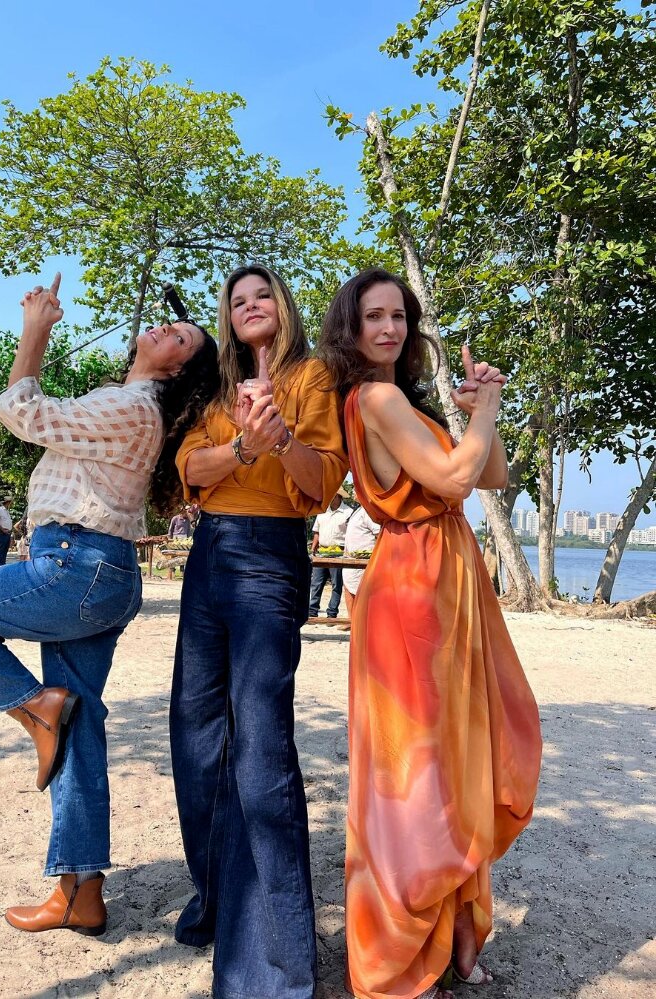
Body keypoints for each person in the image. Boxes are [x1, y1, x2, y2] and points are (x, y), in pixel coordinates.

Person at [0, 274, 220, 936]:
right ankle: (80, 891)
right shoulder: (123, 401)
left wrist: (36, 330)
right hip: (92, 569)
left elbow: (23, 411)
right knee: (80, 729)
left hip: (77, 565)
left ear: (181, 370)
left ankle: (33, 707)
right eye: (172, 323)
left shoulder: (137, 408)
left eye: (183, 337)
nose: (169, 328)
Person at [317, 268, 542, 999]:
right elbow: (450, 478)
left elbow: (490, 473)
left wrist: (482, 411)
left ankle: (448, 937)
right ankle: (404, 957)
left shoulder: (392, 400)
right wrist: (485, 411)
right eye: (373, 316)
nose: (389, 329)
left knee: (445, 763)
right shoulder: (375, 396)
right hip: (415, 585)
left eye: (399, 317)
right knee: (416, 779)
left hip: (440, 580)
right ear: (349, 329)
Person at [170, 264, 348, 999]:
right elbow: (191, 467)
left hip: (271, 555)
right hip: (208, 553)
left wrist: (274, 440)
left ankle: (273, 968)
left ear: (282, 305)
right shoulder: (218, 385)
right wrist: (241, 446)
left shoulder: (311, 377)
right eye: (238, 299)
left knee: (262, 747)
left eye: (261, 295)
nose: (250, 306)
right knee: (195, 730)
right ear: (228, 314)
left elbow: (323, 478)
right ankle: (218, 897)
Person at [308, 486, 352, 619]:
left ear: (338, 496)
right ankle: (312, 610)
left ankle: (332, 612)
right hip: (322, 550)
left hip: (339, 550)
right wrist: (313, 548)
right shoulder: (322, 511)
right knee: (316, 582)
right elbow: (317, 531)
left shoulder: (348, 512)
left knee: (336, 584)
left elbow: (351, 534)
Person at [341, 503, 381, 625]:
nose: (354, 492)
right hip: (351, 558)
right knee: (348, 588)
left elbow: (378, 533)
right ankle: (353, 622)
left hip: (363, 560)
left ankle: (360, 624)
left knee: (362, 592)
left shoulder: (368, 511)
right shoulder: (358, 510)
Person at [0, 496, 14, 565]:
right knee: (0, 549)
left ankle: (2, 563)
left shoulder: (6, 511)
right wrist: (2, 529)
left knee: (5, 549)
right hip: (2, 533)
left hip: (7, 533)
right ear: (8, 502)